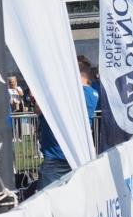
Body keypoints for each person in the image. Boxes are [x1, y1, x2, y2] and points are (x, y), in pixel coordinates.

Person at [36, 59, 97, 189]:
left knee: (48, 197)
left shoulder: (70, 94)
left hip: (57, 156)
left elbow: (39, 109)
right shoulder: (92, 93)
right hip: (80, 154)